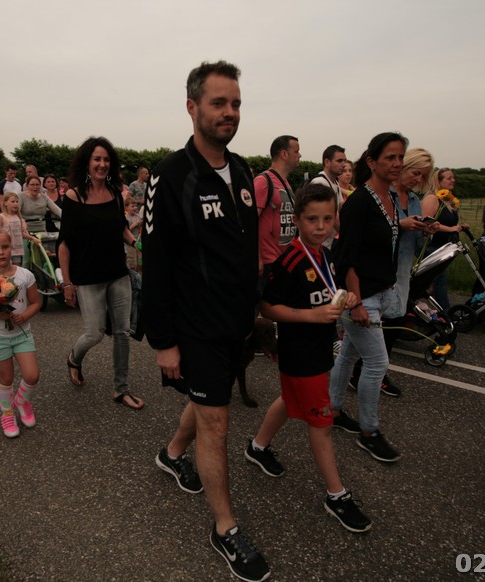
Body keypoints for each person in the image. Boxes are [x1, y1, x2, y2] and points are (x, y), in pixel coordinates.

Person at [142, 60, 270, 582]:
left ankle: (173, 453)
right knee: (217, 421)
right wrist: (164, 342)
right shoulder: (171, 175)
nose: (229, 112)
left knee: (206, 399)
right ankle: (225, 528)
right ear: (192, 107)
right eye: (219, 103)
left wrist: (258, 306)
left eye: (235, 103)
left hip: (237, 322)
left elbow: (243, 250)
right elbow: (155, 264)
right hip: (195, 326)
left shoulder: (243, 170)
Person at [243, 182, 372, 533]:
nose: (321, 226)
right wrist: (310, 316)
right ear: (297, 220)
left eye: (327, 219)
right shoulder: (289, 260)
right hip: (301, 356)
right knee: (322, 425)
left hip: (317, 350)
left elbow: (324, 292)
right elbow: (267, 307)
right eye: (312, 219)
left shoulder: (325, 255)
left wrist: (345, 300)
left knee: (288, 400)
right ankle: (336, 495)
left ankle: (257, 447)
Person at [328, 132, 408, 464]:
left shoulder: (389, 197)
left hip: (378, 292)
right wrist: (357, 302)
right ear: (372, 162)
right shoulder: (360, 202)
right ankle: (369, 432)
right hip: (360, 297)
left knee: (348, 355)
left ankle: (332, 410)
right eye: (390, 157)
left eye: (400, 157)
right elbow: (345, 257)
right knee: (376, 363)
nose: (397, 163)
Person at [58, 137, 143, 411]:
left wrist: (137, 244)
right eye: (97, 159)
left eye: (106, 160)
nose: (102, 164)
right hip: (88, 277)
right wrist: (67, 283)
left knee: (123, 332)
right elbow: (64, 243)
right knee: (94, 333)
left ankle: (121, 388)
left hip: (118, 273)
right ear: (87, 162)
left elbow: (122, 229)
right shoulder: (74, 197)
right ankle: (74, 358)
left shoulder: (116, 194)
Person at [371, 147, 436, 398]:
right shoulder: (382, 194)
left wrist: (425, 232)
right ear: (403, 167)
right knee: (377, 325)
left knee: (394, 322)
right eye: (415, 173)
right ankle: (371, 372)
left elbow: (417, 245)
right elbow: (371, 230)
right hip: (380, 269)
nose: (418, 180)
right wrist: (400, 224)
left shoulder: (415, 200)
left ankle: (372, 372)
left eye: (423, 176)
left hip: (402, 270)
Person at [0, 229, 41, 438]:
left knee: (32, 375)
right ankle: (7, 413)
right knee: (6, 378)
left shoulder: (25, 275)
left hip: (21, 334)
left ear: (12, 248)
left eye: (5, 247)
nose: (1, 252)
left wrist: (25, 315)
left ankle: (22, 401)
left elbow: (36, 302)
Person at [255, 135, 301, 288]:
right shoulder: (263, 181)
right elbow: (249, 222)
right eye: (296, 151)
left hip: (283, 261)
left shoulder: (285, 183)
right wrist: (257, 258)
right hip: (267, 263)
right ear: (284, 154)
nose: (300, 155)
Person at [421, 168, 465, 310]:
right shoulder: (432, 198)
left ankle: (430, 305)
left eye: (453, 177)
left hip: (443, 246)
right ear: (438, 181)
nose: (453, 180)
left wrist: (459, 227)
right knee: (440, 278)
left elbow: (447, 221)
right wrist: (450, 229)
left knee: (433, 281)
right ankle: (445, 311)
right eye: (449, 178)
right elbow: (426, 222)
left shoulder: (447, 201)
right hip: (431, 245)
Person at [309, 144, 347, 248]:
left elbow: (342, 207)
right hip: (318, 245)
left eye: (344, 161)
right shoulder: (320, 182)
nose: (344, 164)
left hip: (327, 244)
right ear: (327, 162)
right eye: (339, 161)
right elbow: (332, 215)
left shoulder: (335, 183)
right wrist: (349, 235)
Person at [0, 192, 40, 266]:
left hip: (17, 250)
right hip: (5, 249)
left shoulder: (18, 217)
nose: (15, 204)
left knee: (16, 268)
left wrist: (32, 238)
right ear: (5, 203)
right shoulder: (1, 217)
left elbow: (21, 233)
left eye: (17, 202)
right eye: (12, 202)